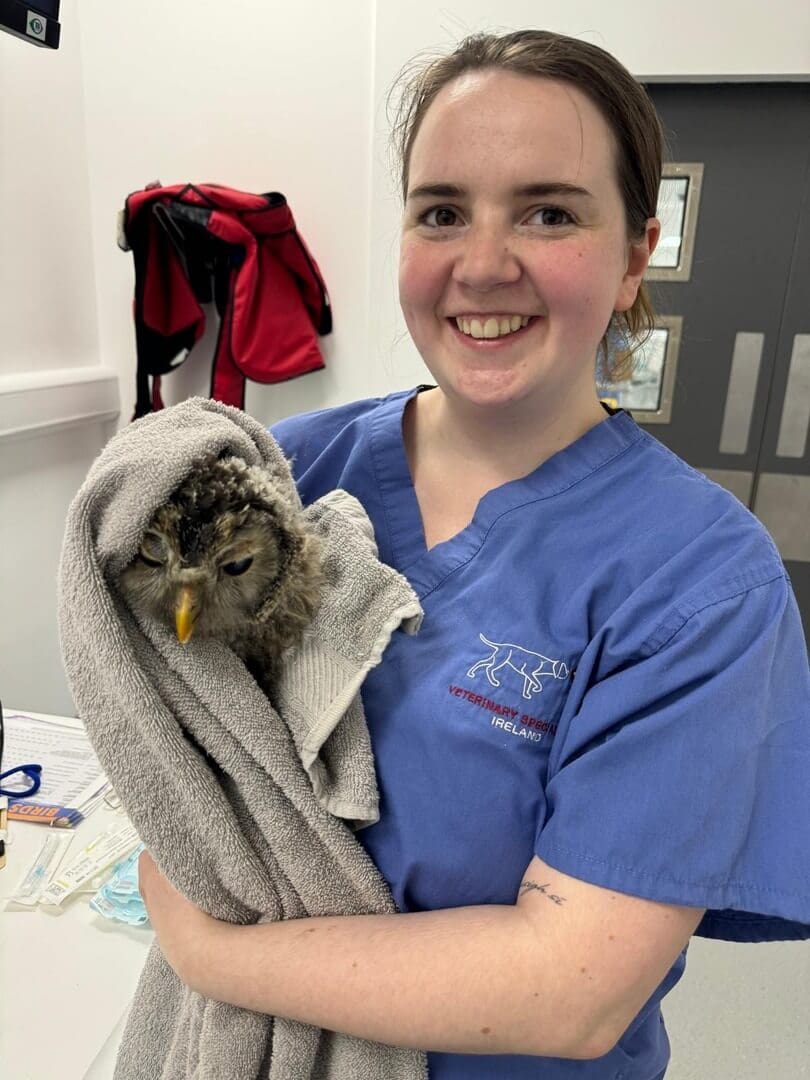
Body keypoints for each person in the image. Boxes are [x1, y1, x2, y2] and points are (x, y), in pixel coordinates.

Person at [138, 29, 810, 1079]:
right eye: (442, 212)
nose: (484, 265)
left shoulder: (699, 582)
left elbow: (572, 991)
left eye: (550, 213)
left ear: (636, 253)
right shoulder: (285, 472)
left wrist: (209, 954)